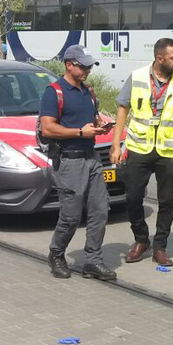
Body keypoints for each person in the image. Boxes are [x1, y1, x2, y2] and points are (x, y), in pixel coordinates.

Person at [110, 37, 173, 267]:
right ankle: (141, 239)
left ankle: (160, 247)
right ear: (159, 58)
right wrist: (115, 144)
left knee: (166, 201)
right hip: (139, 147)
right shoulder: (138, 76)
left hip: (169, 150)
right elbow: (123, 108)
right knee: (132, 197)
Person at [40, 44, 117, 281]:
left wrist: (100, 125)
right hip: (69, 162)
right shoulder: (54, 92)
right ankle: (57, 253)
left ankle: (93, 261)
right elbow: (48, 127)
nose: (87, 70)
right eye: (82, 66)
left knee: (100, 210)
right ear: (69, 65)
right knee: (71, 216)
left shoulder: (89, 93)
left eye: (89, 65)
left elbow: (88, 121)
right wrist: (80, 133)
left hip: (92, 159)